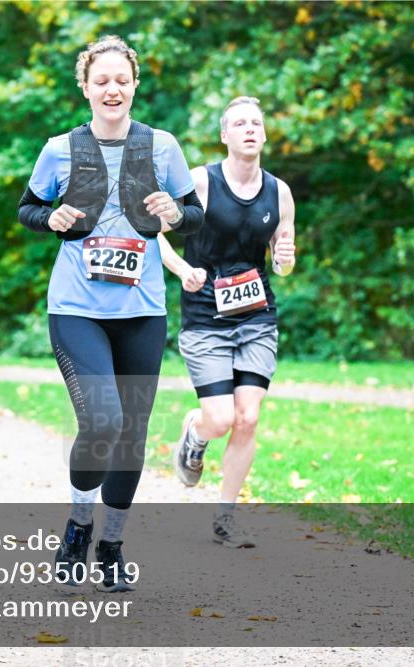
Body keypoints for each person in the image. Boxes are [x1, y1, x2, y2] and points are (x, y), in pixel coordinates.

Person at [18, 35, 204, 593]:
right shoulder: (59, 148)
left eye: (121, 79)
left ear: (135, 84)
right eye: (101, 80)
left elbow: (193, 213)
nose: (112, 89)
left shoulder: (163, 147)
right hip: (76, 308)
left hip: (142, 310)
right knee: (102, 423)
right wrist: (50, 219)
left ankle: (112, 544)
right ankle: (78, 526)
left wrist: (177, 211)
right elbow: (28, 208)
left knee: (133, 434)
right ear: (85, 87)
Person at [159, 96, 296, 548]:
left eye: (256, 122)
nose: (249, 129)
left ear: (264, 133)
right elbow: (154, 234)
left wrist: (284, 259)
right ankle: (195, 435)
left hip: (257, 315)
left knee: (248, 417)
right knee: (219, 419)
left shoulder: (280, 192)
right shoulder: (200, 182)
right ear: (225, 136)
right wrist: (183, 270)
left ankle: (226, 516)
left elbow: (283, 260)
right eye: (239, 123)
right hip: (204, 315)